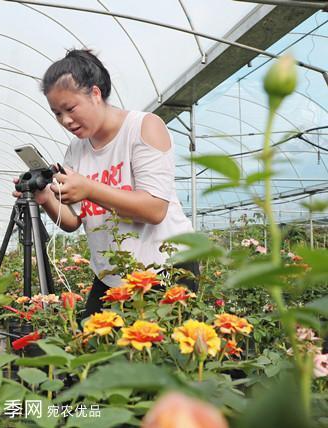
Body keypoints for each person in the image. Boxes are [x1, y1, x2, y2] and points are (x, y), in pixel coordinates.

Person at [15, 49, 196, 318]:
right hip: (111, 277)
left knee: (159, 355)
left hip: (165, 271)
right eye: (57, 113)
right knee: (96, 352)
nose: (66, 120)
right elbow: (72, 221)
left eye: (70, 108)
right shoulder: (76, 150)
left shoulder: (144, 127)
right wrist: (46, 200)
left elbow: (154, 209)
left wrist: (88, 188)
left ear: (95, 94)